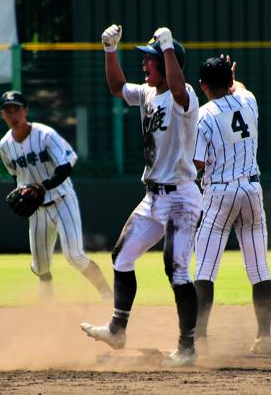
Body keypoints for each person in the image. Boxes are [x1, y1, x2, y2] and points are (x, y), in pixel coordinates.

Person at [79, 24, 202, 367]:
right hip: (153, 197)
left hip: (181, 198)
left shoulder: (185, 96)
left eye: (151, 60)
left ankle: (187, 347)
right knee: (121, 257)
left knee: (176, 270)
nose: (145, 65)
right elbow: (118, 87)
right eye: (146, 60)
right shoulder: (148, 94)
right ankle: (117, 329)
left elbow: (177, 88)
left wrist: (166, 46)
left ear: (168, 63)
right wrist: (108, 50)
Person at [192, 56, 271, 355]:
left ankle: (199, 339)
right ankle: (264, 337)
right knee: (258, 268)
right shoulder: (249, 101)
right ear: (230, 81)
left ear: (202, 86)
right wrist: (232, 76)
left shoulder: (203, 115)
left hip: (220, 193)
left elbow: (197, 163)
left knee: (205, 268)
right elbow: (238, 87)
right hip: (252, 189)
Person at [0, 90, 113, 302]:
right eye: (8, 111)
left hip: (62, 201)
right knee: (40, 265)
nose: (13, 115)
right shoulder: (5, 145)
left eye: (16, 110)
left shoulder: (45, 135)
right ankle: (48, 296)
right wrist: (23, 192)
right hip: (37, 209)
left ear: (26, 111)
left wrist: (43, 187)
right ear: (2, 115)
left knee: (74, 255)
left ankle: (107, 294)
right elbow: (16, 176)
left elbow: (67, 164)